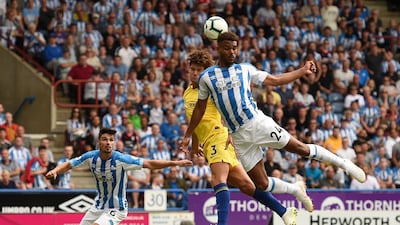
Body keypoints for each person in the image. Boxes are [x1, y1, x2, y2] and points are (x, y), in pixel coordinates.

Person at [181, 32, 366, 221]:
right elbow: (199, 109)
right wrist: (188, 136)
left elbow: (275, 80)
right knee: (260, 184)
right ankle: (296, 190)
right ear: (219, 48)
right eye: (228, 48)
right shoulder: (207, 78)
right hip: (238, 137)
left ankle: (345, 164)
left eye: (235, 48)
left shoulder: (245, 70)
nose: (232, 52)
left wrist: (302, 71)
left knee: (300, 148)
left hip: (257, 123)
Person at [181, 49, 313, 225]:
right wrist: (195, 143)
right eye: (193, 69)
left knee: (217, 179)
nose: (195, 73)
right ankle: (284, 212)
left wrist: (229, 132)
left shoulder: (211, 90)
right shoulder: (187, 93)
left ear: (205, 71)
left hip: (218, 137)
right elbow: (195, 120)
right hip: (207, 143)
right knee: (247, 186)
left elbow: (227, 110)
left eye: (199, 70)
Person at [46, 128, 192, 225]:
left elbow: (150, 163)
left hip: (117, 208)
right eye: (105, 139)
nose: (108, 143)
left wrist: (175, 162)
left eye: (111, 140)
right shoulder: (90, 157)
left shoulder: (122, 159)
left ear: (114, 142)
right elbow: (70, 164)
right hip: (98, 206)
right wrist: (55, 171)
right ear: (99, 142)